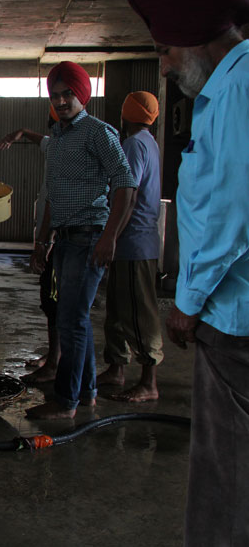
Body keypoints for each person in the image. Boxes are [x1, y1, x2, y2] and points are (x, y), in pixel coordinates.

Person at [128, 0, 249, 547]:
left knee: (228, 472)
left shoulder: (237, 92)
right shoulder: (228, 89)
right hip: (231, 314)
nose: (165, 65)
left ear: (201, 41)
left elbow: (231, 206)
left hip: (235, 318)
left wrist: (190, 301)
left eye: (167, 51)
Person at [25, 60, 136, 420]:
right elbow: (53, 196)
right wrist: (42, 242)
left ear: (82, 95)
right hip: (64, 240)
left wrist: (110, 237)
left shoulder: (98, 133)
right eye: (55, 96)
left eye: (68, 94)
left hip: (89, 237)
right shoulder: (57, 139)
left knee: (70, 321)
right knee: (77, 320)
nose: (60, 102)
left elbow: (125, 184)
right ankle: (85, 393)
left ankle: (65, 400)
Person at [97, 92, 164, 402]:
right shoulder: (148, 141)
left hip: (134, 242)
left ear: (125, 117)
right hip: (130, 241)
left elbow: (129, 193)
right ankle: (116, 368)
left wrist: (111, 236)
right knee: (118, 309)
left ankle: (148, 382)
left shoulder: (135, 144)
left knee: (139, 313)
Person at [0, 107, 60, 382]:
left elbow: (53, 201)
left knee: (56, 301)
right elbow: (42, 140)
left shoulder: (65, 148)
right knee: (50, 301)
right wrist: (21, 132)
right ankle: (54, 355)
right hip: (53, 235)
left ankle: (56, 364)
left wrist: (43, 242)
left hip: (59, 237)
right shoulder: (56, 143)